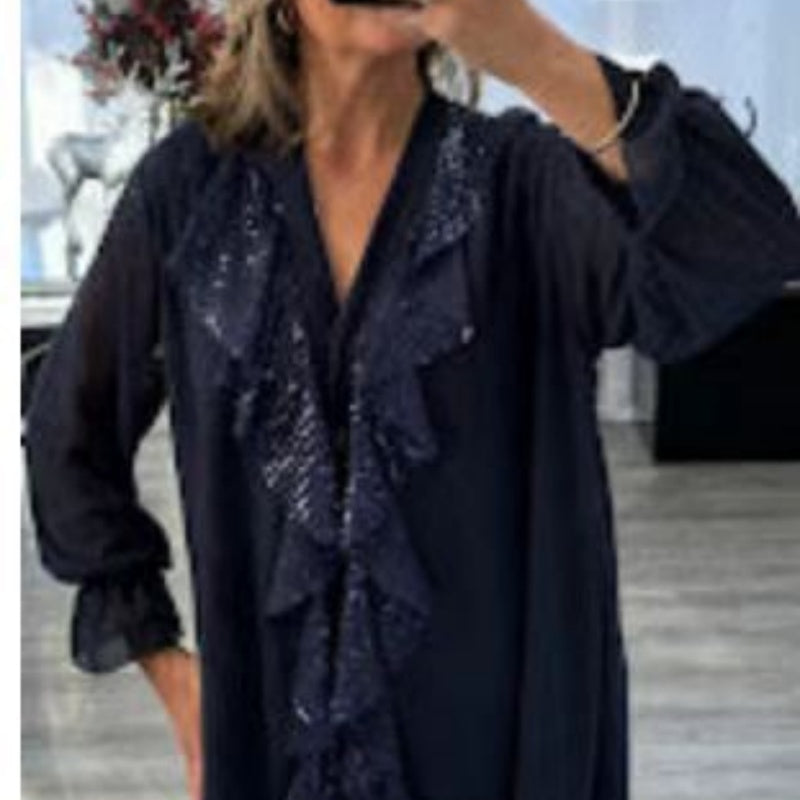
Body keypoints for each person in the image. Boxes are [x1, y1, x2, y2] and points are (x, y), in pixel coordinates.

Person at [23, 0, 800, 798]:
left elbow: (748, 243)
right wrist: (177, 680)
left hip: (500, 755)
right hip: (273, 753)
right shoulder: (191, 190)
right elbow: (66, 436)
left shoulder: (519, 187)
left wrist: (536, 55)